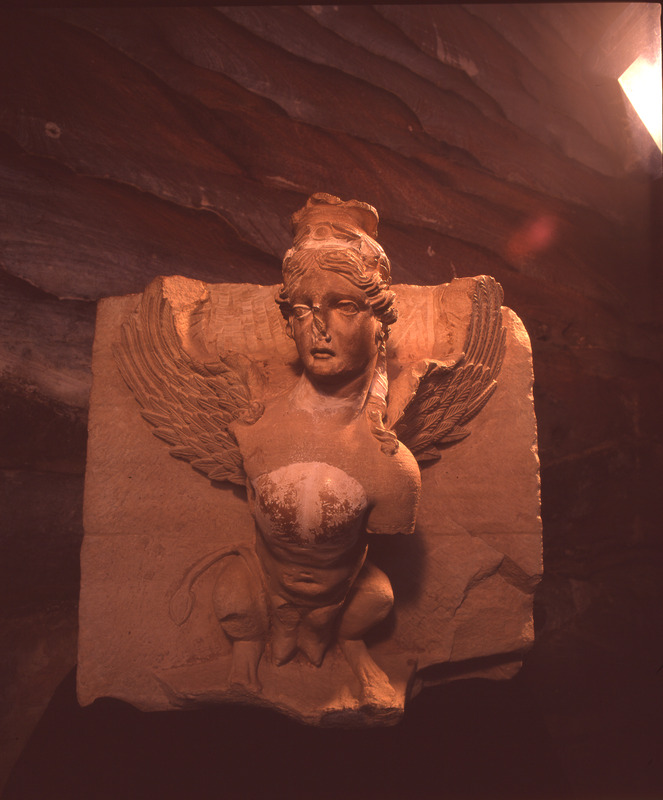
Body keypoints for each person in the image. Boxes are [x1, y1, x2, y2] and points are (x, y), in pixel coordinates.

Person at [212, 194, 421, 706]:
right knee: (233, 598)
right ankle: (247, 648)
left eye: (344, 306)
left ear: (380, 322)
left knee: (379, 597)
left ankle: (351, 643)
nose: (319, 328)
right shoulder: (255, 430)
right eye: (303, 309)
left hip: (342, 591)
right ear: (289, 321)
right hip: (264, 581)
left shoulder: (390, 467)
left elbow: (385, 535)